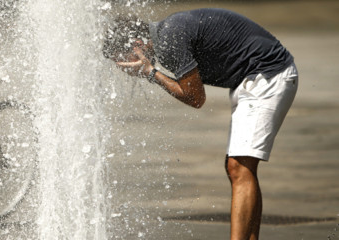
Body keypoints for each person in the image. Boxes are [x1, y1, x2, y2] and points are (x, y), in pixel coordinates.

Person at [104, 8, 298, 240]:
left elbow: (196, 98)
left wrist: (150, 72)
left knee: (239, 168)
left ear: (136, 45)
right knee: (239, 168)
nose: (124, 69)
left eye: (122, 60)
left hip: (268, 75)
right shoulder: (167, 33)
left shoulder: (169, 40)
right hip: (253, 78)